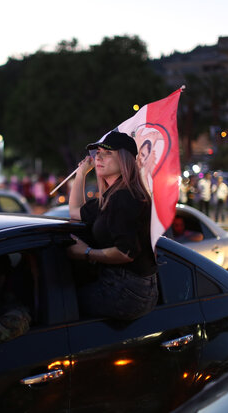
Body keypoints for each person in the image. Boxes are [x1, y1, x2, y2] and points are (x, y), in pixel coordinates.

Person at [67, 131, 158, 320]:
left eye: (108, 153)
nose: (98, 157)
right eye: (98, 152)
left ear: (125, 160)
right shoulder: (111, 197)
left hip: (128, 290)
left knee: (62, 306)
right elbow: (75, 211)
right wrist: (82, 173)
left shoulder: (125, 197)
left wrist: (86, 253)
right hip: (121, 284)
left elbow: (126, 253)